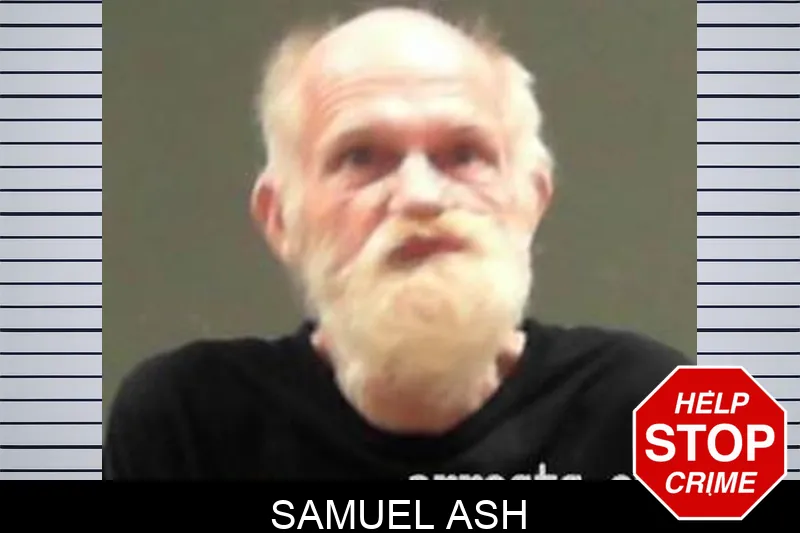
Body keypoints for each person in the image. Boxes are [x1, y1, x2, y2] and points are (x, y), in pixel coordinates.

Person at [103, 6, 689, 480]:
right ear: (280, 218)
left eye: (465, 154)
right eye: (361, 157)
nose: (419, 196)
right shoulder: (188, 425)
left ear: (531, 198)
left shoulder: (661, 408)